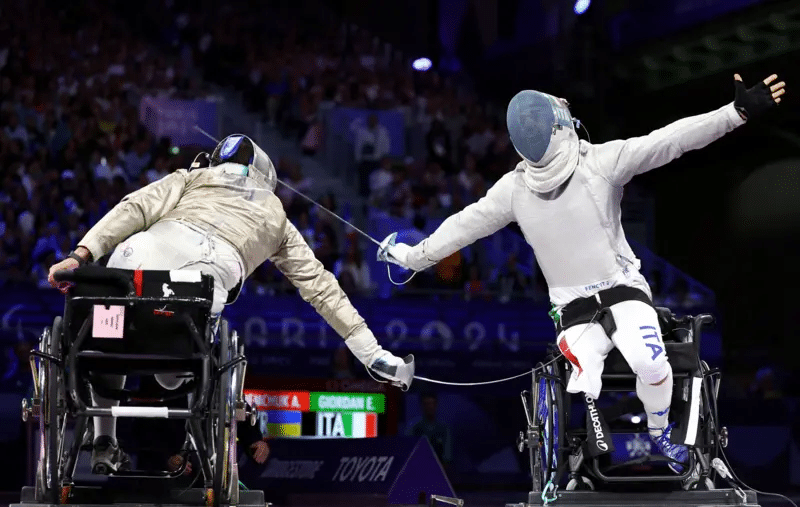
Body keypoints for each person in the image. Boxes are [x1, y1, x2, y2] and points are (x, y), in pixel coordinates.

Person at [380, 74, 786, 473]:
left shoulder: (600, 163)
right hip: (571, 305)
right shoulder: (515, 189)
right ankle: (588, 396)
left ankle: (660, 429)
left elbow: (671, 140)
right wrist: (415, 257)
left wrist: (735, 113)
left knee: (651, 364)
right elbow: (461, 226)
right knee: (585, 371)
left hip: (623, 289)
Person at [47, 134, 414, 475]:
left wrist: (80, 255)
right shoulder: (276, 215)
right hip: (199, 283)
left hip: (139, 257)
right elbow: (321, 288)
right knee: (174, 369)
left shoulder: (191, 177)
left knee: (108, 332)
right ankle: (162, 397)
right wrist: (372, 353)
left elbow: (135, 207)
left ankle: (104, 440)